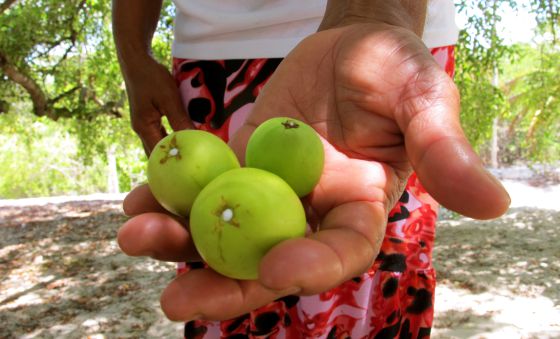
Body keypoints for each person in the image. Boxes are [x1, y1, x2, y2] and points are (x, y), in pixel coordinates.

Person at [112, 0, 511, 337]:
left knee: (384, 276)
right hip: (216, 52)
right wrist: (132, 53)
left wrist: (376, 14)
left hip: (391, 46)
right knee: (225, 285)